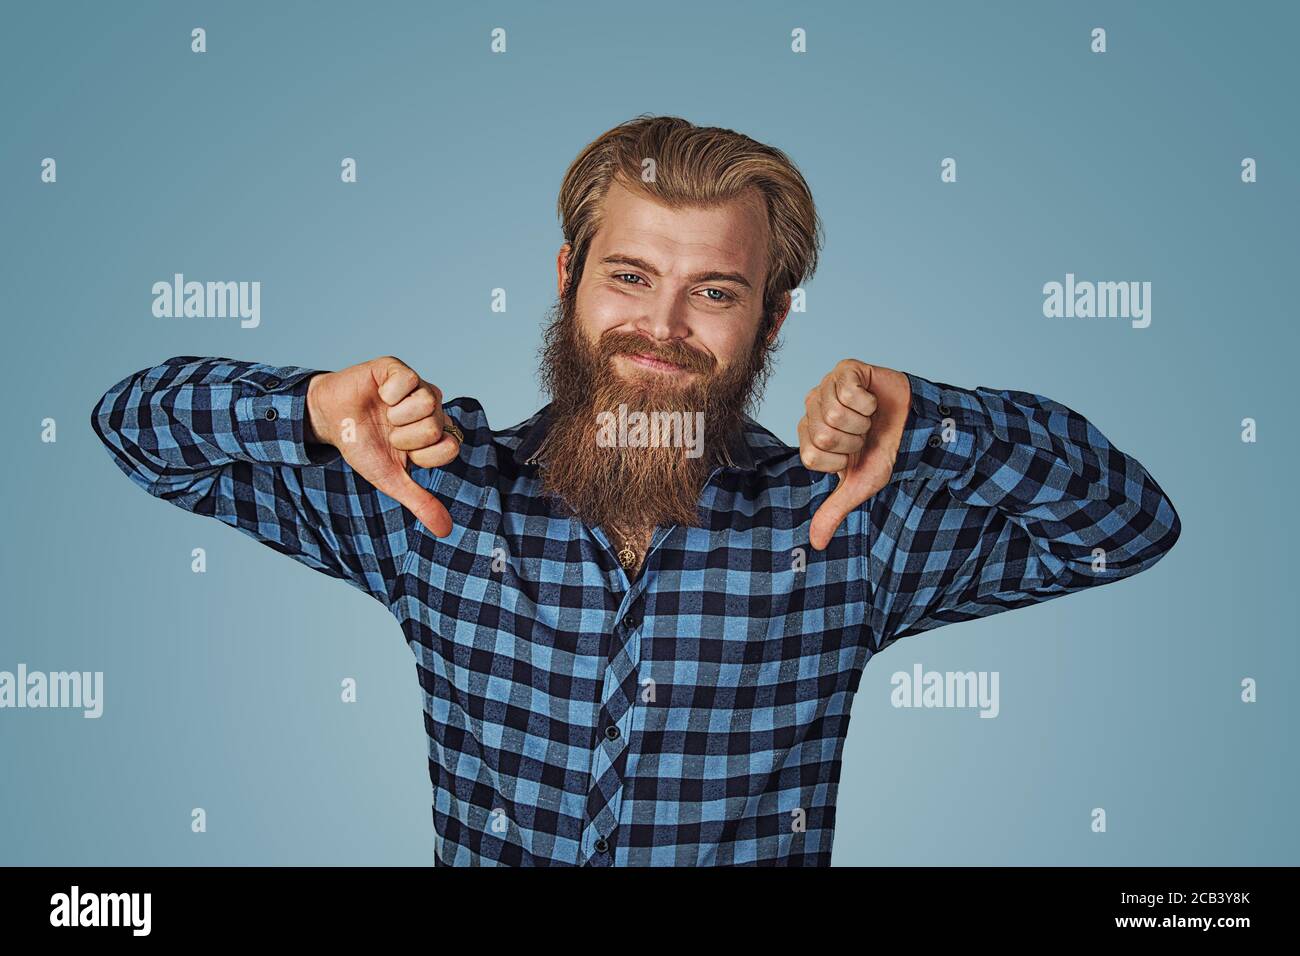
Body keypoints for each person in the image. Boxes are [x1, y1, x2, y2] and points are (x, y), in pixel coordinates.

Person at [91, 115, 1181, 866]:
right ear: (568, 278)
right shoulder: (434, 491)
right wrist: (309, 409)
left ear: (771, 316)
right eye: (629, 276)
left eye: (714, 289)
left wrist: (939, 421)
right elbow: (138, 431)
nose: (662, 329)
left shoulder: (845, 523)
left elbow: (1126, 525)